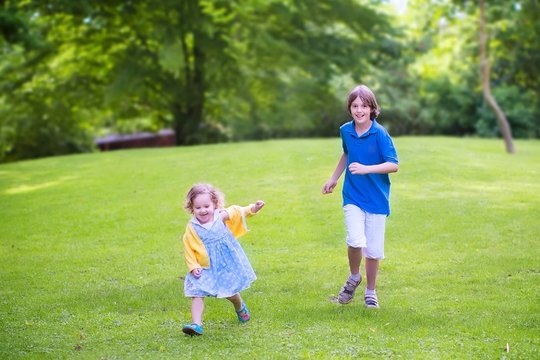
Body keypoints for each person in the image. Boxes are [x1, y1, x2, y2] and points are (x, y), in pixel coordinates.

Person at [322, 84, 399, 309]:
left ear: (372, 108)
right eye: (355, 106)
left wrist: (367, 168)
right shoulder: (346, 130)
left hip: (376, 198)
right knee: (355, 240)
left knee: (374, 250)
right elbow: (347, 153)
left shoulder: (380, 134)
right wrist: (334, 178)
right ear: (350, 108)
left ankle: (371, 291)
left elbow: (393, 165)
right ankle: (354, 276)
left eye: (364, 106)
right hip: (353, 195)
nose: (359, 110)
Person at [181, 183, 265, 336]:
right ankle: (196, 324)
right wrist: (193, 266)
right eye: (198, 208)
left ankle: (239, 306)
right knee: (197, 291)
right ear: (191, 208)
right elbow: (188, 247)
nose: (203, 210)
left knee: (230, 294)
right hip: (204, 266)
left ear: (214, 204)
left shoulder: (220, 216)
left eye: (207, 206)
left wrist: (254, 208)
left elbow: (239, 212)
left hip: (225, 263)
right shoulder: (192, 227)